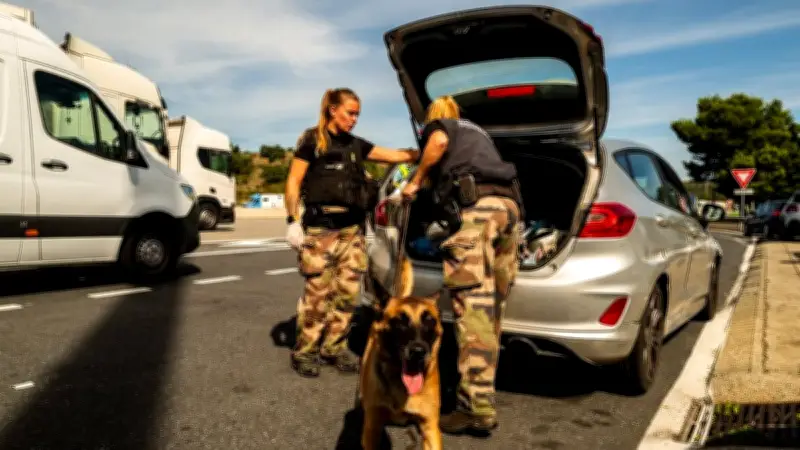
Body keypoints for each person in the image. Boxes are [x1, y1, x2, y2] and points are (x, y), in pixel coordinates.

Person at [401, 96, 523, 434]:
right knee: (492, 312)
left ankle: (476, 409)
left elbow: (437, 143)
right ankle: (482, 392)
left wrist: (415, 180)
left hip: (478, 211)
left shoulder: (442, 129)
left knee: (472, 310)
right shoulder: (479, 134)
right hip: (510, 213)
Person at [284, 88, 419, 378]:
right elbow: (294, 181)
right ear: (333, 110)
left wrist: (423, 150)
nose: (354, 119)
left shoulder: (357, 145)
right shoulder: (313, 141)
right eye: (350, 113)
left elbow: (394, 155)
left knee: (347, 295)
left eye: (358, 114)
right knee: (317, 296)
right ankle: (306, 351)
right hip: (321, 230)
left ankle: (334, 347)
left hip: (353, 231)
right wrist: (292, 220)